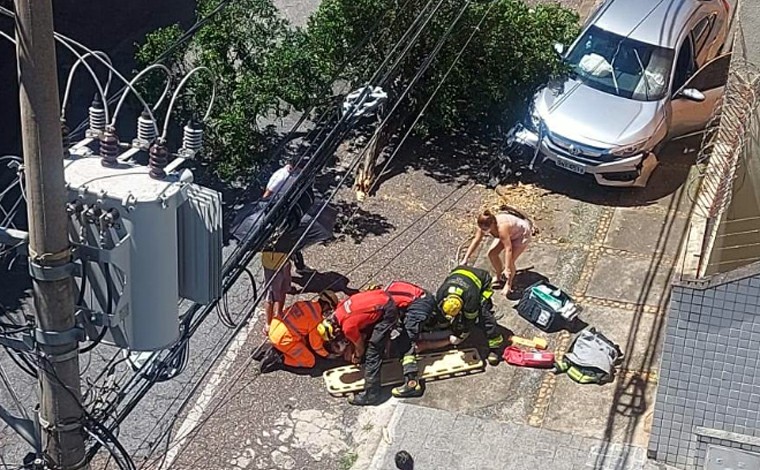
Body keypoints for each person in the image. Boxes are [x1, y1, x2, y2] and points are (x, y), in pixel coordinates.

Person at [317, 289, 400, 406]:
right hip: (381, 297)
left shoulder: (348, 327)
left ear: (336, 330)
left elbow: (359, 346)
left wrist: (356, 357)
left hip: (386, 310)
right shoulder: (339, 310)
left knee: (373, 352)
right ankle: (386, 353)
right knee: (369, 332)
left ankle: (372, 395)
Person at [436, 265, 504, 365]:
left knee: (484, 317)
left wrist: (462, 334)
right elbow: (439, 311)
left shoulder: (470, 299)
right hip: (460, 271)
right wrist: (442, 324)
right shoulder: (441, 293)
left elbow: (469, 320)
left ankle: (495, 348)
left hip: (483, 279)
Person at [460, 205, 535, 295]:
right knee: (492, 254)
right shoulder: (483, 227)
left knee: (510, 261)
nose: (484, 231)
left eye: (486, 229)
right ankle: (499, 276)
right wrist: (465, 258)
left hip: (521, 234)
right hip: (510, 233)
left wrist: (507, 268)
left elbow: (508, 249)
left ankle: (509, 283)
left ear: (492, 224)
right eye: (482, 229)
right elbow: (476, 241)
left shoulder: (502, 228)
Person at [267, 291, 340, 368]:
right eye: (329, 309)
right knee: (309, 361)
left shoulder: (304, 303)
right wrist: (327, 355)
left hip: (274, 327)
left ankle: (276, 348)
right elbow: (316, 346)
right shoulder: (316, 320)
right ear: (326, 305)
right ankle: (279, 358)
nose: (328, 311)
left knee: (303, 341)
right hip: (283, 340)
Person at [261, 249, 293, 331]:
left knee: (283, 289)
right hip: (271, 265)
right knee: (270, 295)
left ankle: (279, 315)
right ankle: (268, 324)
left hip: (284, 260)